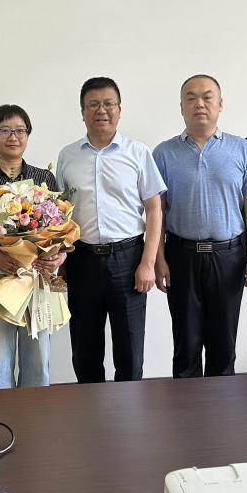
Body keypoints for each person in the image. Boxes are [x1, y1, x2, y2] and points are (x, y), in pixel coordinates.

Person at [153, 75, 247, 378]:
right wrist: (158, 259)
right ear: (181, 107)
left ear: (220, 104)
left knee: (223, 345)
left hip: (228, 257)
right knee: (186, 345)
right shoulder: (163, 153)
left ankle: (222, 406)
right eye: (190, 98)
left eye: (207, 97)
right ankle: (186, 407)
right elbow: (157, 211)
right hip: (181, 256)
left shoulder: (242, 149)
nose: (199, 104)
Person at [55, 77, 165, 383]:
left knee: (129, 352)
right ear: (82, 112)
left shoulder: (138, 153)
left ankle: (129, 412)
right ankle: (91, 410)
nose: (101, 110)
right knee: (85, 350)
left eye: (108, 104)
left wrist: (148, 262)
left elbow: (154, 209)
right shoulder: (67, 156)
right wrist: (60, 260)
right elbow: (60, 213)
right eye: (93, 104)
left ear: (119, 109)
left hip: (128, 259)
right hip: (82, 260)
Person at [0, 104, 65, 388]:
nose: (13, 137)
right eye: (4, 130)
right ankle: (3, 415)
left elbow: (59, 229)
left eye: (20, 130)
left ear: (28, 135)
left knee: (38, 358)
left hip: (36, 278)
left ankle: (34, 414)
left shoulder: (44, 179)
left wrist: (57, 258)